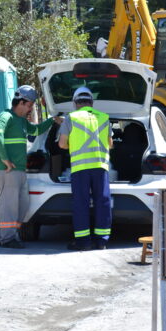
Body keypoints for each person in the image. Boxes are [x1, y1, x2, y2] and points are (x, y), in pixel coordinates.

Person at [0, 85, 59, 249]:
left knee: (22, 205)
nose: (30, 109)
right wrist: (5, 159)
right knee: (9, 207)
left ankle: (8, 235)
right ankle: (7, 239)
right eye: (29, 105)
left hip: (19, 171)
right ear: (21, 102)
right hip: (7, 171)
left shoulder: (21, 121)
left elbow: (35, 131)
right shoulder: (6, 116)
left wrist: (52, 121)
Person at [58, 86, 113, 251]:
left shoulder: (71, 118)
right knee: (102, 202)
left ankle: (83, 242)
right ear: (92, 103)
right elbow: (110, 144)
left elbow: (61, 144)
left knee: (81, 204)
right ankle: (102, 241)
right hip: (100, 166)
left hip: (80, 168)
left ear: (75, 103)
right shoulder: (104, 118)